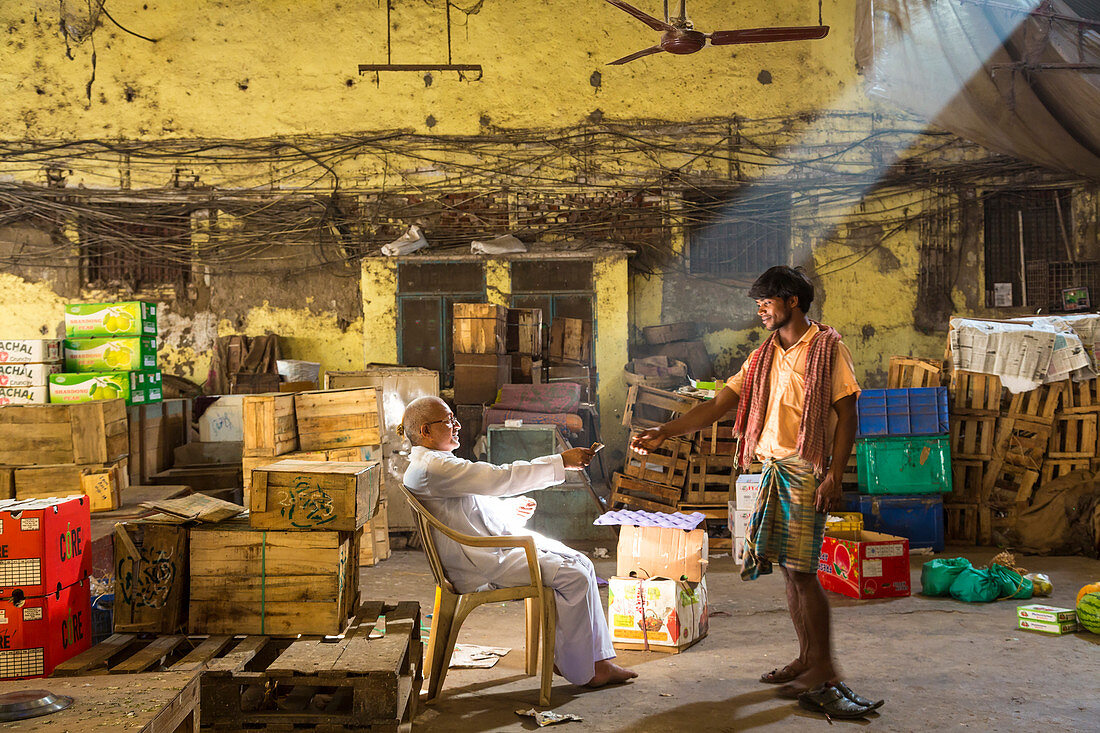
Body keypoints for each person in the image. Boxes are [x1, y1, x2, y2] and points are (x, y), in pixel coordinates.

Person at [632, 266, 883, 719]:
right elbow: (717, 404)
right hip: (769, 469)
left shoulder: (828, 350)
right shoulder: (763, 356)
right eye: (759, 303)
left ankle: (825, 672)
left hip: (806, 470)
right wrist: (664, 432)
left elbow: (848, 415)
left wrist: (832, 476)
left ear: (792, 301)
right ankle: (807, 659)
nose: (761, 310)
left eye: (767, 302)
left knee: (804, 572)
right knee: (790, 571)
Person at [401, 395, 637, 689]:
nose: (457, 425)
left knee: (583, 564)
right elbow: (499, 478)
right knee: (575, 575)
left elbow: (468, 510)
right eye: (449, 421)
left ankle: (590, 661)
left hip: (482, 551)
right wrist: (561, 461)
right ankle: (582, 668)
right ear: (425, 431)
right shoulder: (433, 468)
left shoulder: (434, 465)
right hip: (480, 563)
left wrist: (509, 510)